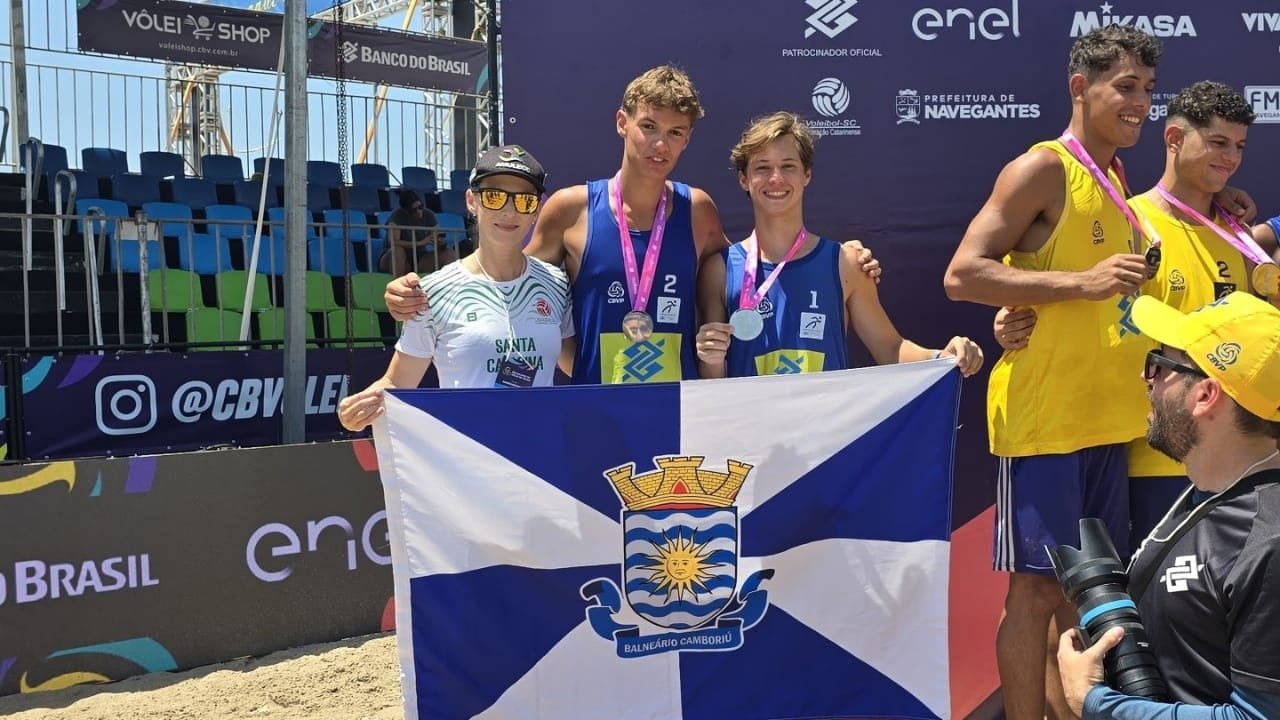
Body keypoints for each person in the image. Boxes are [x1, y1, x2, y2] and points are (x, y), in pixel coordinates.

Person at [380, 65, 881, 384]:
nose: (660, 145)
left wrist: (847, 259)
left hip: (682, 413)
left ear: (688, 140)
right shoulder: (571, 209)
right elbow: (507, 283)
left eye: (675, 133)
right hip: (598, 411)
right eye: (648, 127)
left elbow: (752, 273)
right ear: (622, 123)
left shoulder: (698, 210)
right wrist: (418, 290)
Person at [942, 26, 1166, 720]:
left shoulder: (1117, 178)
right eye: (1124, 87)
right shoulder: (1042, 168)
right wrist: (1081, 284)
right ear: (1080, 87)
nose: (1140, 102)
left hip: (1107, 418)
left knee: (1089, 594)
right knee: (1035, 591)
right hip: (1046, 421)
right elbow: (962, 274)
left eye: (1147, 90)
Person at [994, 81, 1277, 557]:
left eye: (1239, 147)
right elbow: (1052, 293)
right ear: (1174, 138)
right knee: (1139, 589)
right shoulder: (1131, 220)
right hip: (1153, 455)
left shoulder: (1239, 234)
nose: (1230, 158)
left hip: (1234, 458)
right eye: (1218, 142)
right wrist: (1009, 320)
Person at [1058, 291, 1280, 720]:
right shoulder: (1209, 489)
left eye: (1159, 364)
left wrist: (1097, 703)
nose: (1148, 379)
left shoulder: (1269, 542)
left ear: (1206, 394)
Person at [695, 111, 982, 378]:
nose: (776, 178)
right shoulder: (720, 270)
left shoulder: (846, 263)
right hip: (752, 418)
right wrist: (711, 360)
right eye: (762, 167)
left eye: (788, 166)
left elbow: (890, 349)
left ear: (807, 175)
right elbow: (712, 382)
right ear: (744, 179)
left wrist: (942, 357)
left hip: (826, 419)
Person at [337, 145, 572, 431]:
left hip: (538, 450)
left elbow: (575, 364)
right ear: (472, 201)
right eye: (495, 196)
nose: (510, 210)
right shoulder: (433, 292)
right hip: (468, 452)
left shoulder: (556, 284)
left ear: (536, 210)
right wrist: (357, 409)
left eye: (525, 200)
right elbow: (397, 382)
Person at [379, 189, 449, 275]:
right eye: (413, 210)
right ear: (405, 210)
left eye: (420, 207)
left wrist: (440, 242)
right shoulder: (397, 216)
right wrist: (420, 243)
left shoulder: (428, 215)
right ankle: (399, 282)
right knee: (398, 250)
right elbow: (393, 241)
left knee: (448, 253)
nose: (418, 212)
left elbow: (437, 234)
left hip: (419, 258)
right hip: (393, 258)